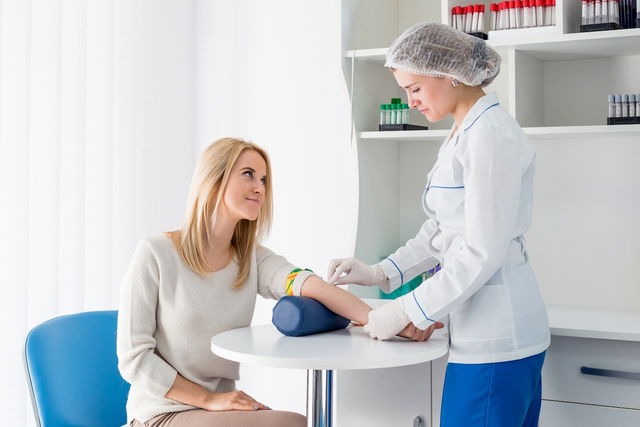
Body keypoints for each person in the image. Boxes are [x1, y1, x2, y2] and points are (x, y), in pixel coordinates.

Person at [117, 137, 439, 427]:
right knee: (290, 425)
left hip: (221, 408)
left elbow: (311, 285)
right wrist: (211, 401)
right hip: (160, 414)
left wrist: (389, 321)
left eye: (264, 179)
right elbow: (135, 359)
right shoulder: (156, 253)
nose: (260, 186)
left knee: (293, 422)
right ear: (214, 179)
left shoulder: (250, 259)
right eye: (248, 174)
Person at [327, 23, 550, 427]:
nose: (409, 101)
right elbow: (443, 229)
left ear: (449, 72)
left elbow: (482, 252)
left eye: (413, 88)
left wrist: (405, 311)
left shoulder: (490, 135)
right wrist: (380, 271)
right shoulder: (465, 130)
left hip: (497, 339)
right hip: (481, 334)